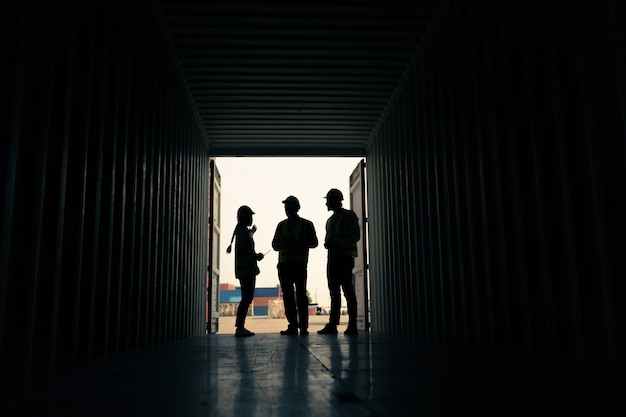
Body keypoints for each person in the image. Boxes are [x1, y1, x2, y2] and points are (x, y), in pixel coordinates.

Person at [272, 196, 319, 335]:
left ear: (297, 208)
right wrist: (283, 244)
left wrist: (298, 242)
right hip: (284, 266)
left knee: (300, 296)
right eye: (286, 208)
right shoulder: (281, 225)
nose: (287, 210)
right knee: (288, 297)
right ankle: (293, 325)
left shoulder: (306, 225)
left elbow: (314, 242)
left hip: (299, 265)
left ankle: (303, 327)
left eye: (290, 207)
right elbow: (274, 244)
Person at [318, 188, 360, 335]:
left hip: (345, 258)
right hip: (333, 259)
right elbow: (328, 239)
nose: (326, 204)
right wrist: (327, 244)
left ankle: (352, 325)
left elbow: (355, 236)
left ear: (336, 200)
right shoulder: (329, 221)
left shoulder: (349, 216)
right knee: (334, 292)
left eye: (328, 200)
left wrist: (340, 245)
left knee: (347, 290)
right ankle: (333, 324)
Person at [228, 205, 264, 337]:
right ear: (244, 217)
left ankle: (240, 326)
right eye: (250, 216)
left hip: (245, 270)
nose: (251, 218)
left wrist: (252, 233)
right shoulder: (242, 232)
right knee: (246, 298)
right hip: (246, 270)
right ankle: (240, 327)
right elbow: (243, 249)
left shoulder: (242, 230)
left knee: (246, 298)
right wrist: (256, 256)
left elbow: (245, 241)